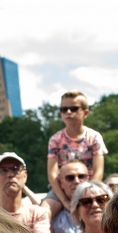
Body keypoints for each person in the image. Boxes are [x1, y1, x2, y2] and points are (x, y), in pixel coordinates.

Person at [45, 91, 107, 219]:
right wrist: (65, 201)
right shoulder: (55, 139)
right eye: (63, 109)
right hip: (62, 189)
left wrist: (88, 194)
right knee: (44, 213)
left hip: (89, 186)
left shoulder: (94, 137)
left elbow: (98, 171)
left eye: (73, 108)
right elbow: (52, 174)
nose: (68, 112)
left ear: (85, 113)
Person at [0, 152, 52, 233]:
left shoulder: (37, 213)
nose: (10, 175)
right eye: (3, 170)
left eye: (15, 169)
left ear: (25, 176)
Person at [49, 160, 90, 233]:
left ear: (88, 179)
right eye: (70, 178)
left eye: (81, 176)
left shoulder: (102, 210)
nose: (77, 181)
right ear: (60, 183)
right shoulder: (51, 216)